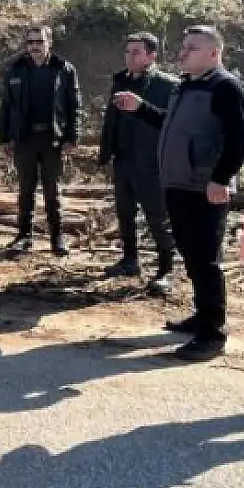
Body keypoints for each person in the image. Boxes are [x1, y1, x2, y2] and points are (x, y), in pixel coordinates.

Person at [115, 25, 244, 362]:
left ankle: (213, 334)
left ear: (213, 53)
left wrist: (221, 179)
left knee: (207, 262)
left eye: (191, 47)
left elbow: (240, 140)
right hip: (178, 184)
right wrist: (141, 108)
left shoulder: (227, 88)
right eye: (183, 46)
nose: (182, 52)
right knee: (191, 257)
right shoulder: (187, 87)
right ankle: (201, 316)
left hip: (205, 189)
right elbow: (170, 124)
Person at [97, 32, 179, 295]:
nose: (130, 56)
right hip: (123, 158)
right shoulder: (120, 80)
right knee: (125, 214)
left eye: (136, 52)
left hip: (152, 162)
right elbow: (112, 118)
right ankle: (130, 260)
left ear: (152, 56)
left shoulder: (168, 85)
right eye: (127, 51)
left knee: (158, 217)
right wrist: (106, 150)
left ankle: (166, 269)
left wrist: (142, 107)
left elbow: (173, 122)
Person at [0, 24, 82, 256]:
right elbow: (6, 105)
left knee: (52, 190)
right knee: (26, 189)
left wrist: (72, 136)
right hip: (24, 139)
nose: (34, 46)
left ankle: (57, 237)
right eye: (30, 42)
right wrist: (5, 137)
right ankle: (24, 236)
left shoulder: (64, 69)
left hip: (52, 139)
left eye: (39, 42)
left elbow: (75, 106)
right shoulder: (16, 69)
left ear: (49, 43)